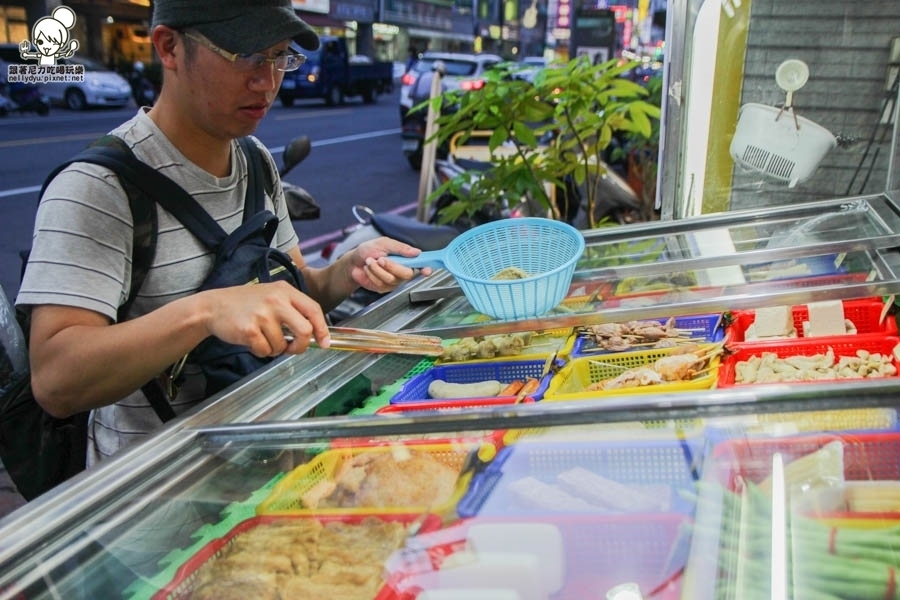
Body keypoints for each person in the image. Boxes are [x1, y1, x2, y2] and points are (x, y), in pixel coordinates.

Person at [15, 0, 431, 467]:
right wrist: (205, 313)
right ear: (169, 47)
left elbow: (298, 288)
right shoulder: (99, 188)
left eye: (279, 56)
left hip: (271, 460)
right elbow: (55, 381)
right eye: (246, 56)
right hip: (155, 499)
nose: (267, 81)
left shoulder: (254, 161)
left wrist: (346, 271)